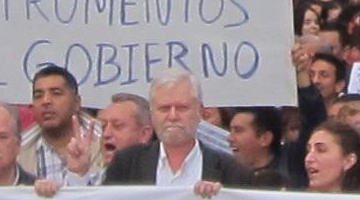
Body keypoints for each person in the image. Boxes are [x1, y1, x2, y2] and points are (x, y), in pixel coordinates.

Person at [97, 73, 259, 193]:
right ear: (152, 114)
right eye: (164, 108)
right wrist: (80, 173)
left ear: (199, 112)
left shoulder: (233, 171)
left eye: (182, 107)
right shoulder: (126, 164)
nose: (173, 116)